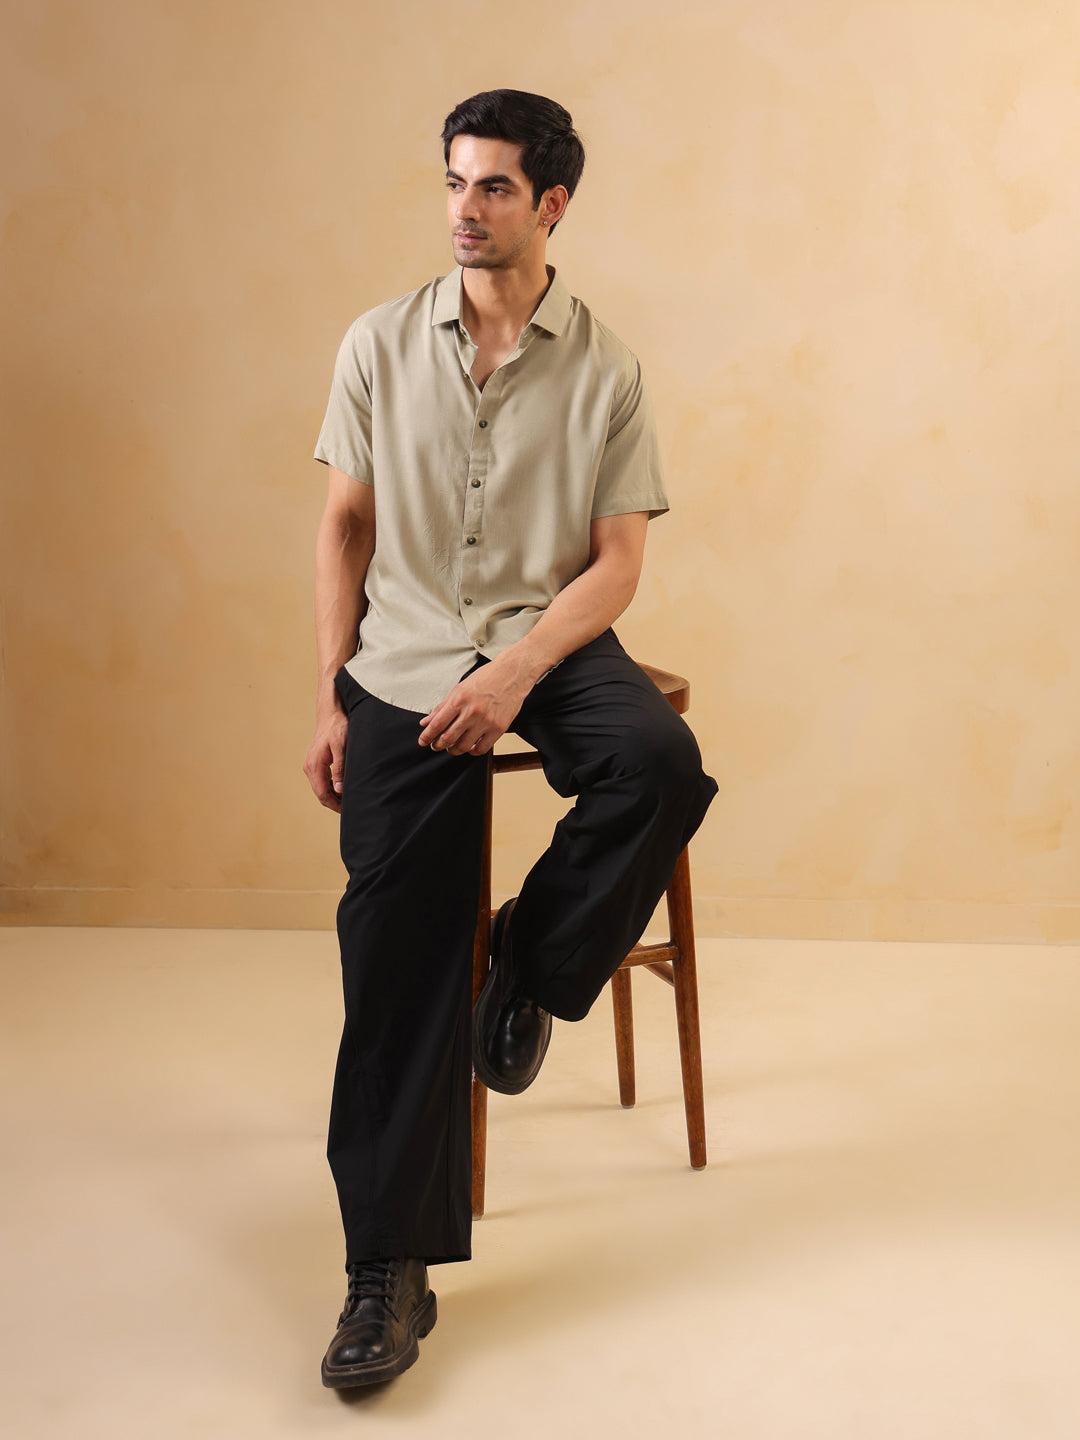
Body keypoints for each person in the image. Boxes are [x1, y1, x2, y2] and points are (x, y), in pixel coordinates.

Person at [303, 89, 717, 1388]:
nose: (465, 209)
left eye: (493, 187)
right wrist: (331, 693)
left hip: (553, 638)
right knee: (393, 947)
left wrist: (520, 669)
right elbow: (347, 530)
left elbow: (617, 564)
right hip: (408, 651)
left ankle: (528, 968)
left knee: (658, 767)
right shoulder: (377, 343)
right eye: (454, 182)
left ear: (552, 204)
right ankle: (388, 1269)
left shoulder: (607, 368)